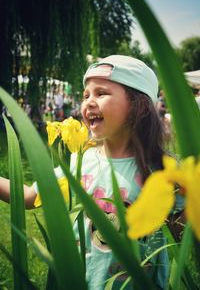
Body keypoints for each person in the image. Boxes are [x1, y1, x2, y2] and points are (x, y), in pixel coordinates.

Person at [0, 55, 184, 289]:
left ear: (139, 105)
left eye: (101, 93)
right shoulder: (81, 161)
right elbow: (29, 197)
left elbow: (185, 236)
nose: (88, 102)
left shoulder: (163, 169)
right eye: (86, 95)